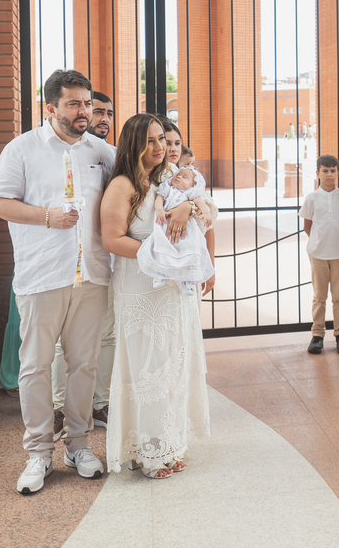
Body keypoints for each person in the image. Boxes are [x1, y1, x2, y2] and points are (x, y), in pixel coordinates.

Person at [0, 69, 114, 495]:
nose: (85, 111)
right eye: (75, 103)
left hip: (92, 274)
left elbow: (144, 186)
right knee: (36, 366)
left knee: (84, 366)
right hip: (42, 275)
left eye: (88, 103)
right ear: (51, 108)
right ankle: (39, 452)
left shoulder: (102, 151)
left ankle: (78, 445)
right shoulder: (22, 149)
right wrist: (46, 217)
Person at [101, 113, 214, 479]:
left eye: (162, 140)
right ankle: (147, 452)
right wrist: (159, 255)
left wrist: (187, 206)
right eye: (150, 141)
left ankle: (169, 442)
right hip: (140, 285)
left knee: (173, 365)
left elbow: (206, 211)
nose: (159, 147)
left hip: (174, 290)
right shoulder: (122, 184)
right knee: (146, 367)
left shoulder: (170, 178)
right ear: (133, 143)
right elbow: (112, 239)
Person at [301, 155, 339, 355]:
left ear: (338, 172)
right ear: (317, 174)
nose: (329, 174)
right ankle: (317, 335)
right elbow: (308, 227)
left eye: (333, 170)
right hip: (318, 254)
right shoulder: (311, 199)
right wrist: (320, 241)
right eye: (325, 170)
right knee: (319, 296)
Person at [135, 167, 215, 295]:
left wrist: (206, 214)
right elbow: (159, 200)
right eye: (179, 175)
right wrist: (160, 211)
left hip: (186, 229)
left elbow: (201, 204)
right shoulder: (167, 189)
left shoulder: (190, 194)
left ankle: (188, 280)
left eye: (185, 177)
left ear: (193, 185)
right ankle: (160, 273)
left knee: (189, 248)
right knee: (161, 245)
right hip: (164, 223)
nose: (179, 177)